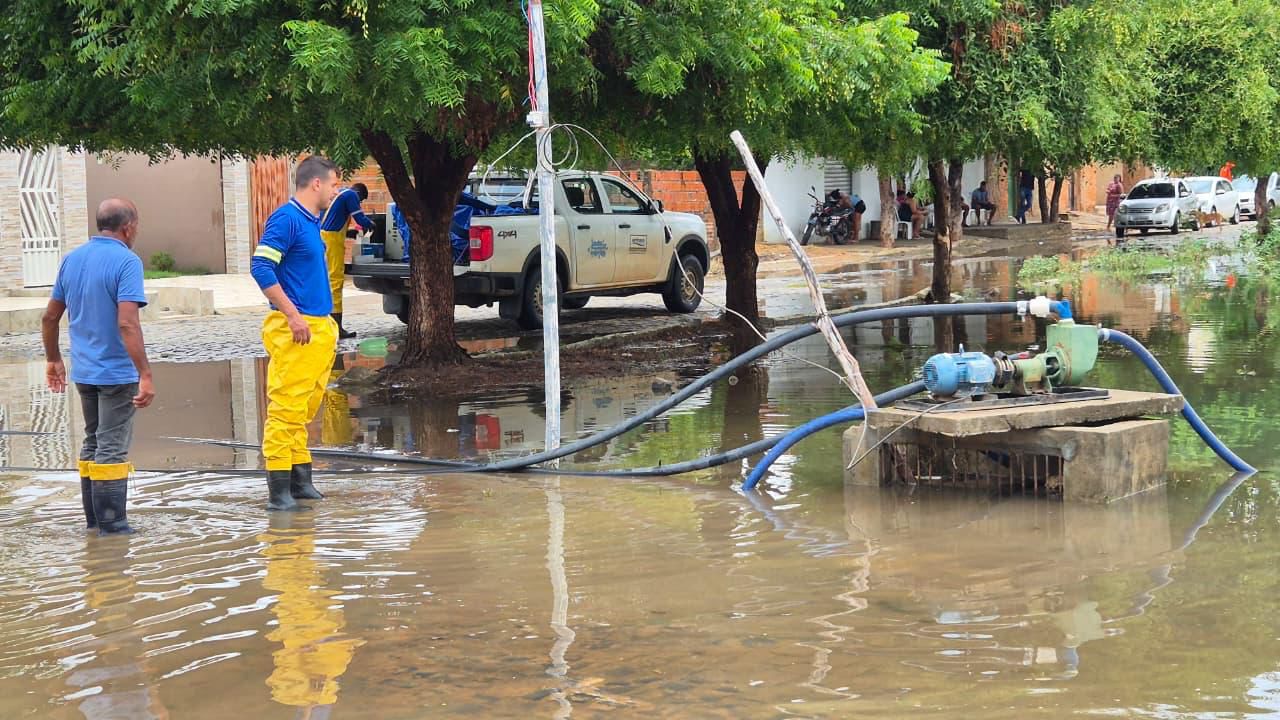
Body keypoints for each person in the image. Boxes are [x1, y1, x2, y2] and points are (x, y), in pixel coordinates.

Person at [42, 198, 156, 535]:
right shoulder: (127, 261)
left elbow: (50, 316)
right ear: (129, 227)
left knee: (93, 440)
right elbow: (127, 324)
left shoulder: (72, 259)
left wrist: (53, 358)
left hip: (84, 373)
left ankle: (94, 525)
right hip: (117, 373)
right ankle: (113, 527)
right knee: (111, 446)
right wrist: (145, 374)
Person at [251, 155, 342, 512]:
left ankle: (301, 482)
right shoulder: (287, 219)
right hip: (297, 329)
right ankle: (279, 493)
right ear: (316, 183)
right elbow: (261, 267)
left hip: (318, 328)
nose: (337, 191)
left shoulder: (311, 222)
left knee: (303, 408)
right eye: (334, 184)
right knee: (286, 409)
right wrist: (292, 316)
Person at [319, 182, 374, 340]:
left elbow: (332, 220)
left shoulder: (339, 193)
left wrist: (348, 233)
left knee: (326, 280)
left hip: (325, 237)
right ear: (360, 194)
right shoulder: (351, 195)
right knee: (336, 281)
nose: (359, 203)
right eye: (361, 200)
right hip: (332, 241)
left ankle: (326, 325)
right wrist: (372, 225)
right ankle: (337, 328)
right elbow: (361, 219)